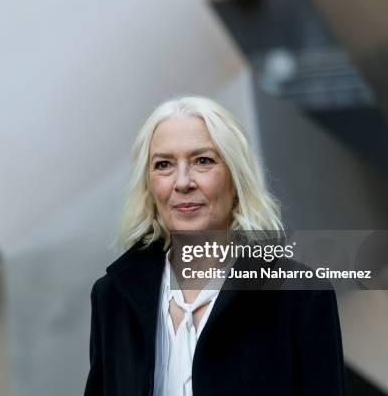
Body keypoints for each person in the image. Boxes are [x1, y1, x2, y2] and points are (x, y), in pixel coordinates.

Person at [84, 96, 346, 396]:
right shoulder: (112, 298)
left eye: (203, 161)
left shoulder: (301, 296)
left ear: (236, 180)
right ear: (149, 186)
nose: (182, 182)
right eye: (164, 165)